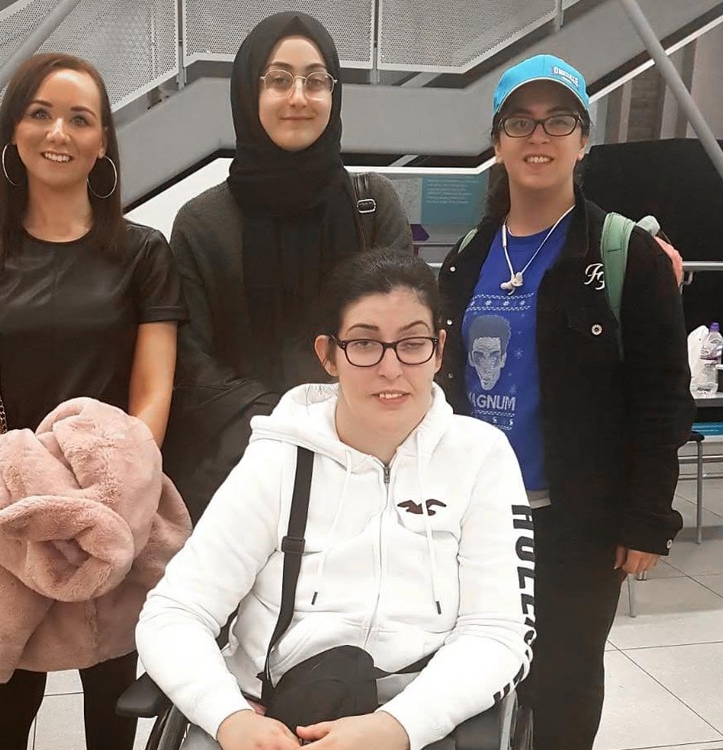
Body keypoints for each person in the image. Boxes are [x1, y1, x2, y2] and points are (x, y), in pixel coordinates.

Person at [137, 249, 534, 750]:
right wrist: (229, 717)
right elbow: (174, 612)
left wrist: (398, 727)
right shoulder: (279, 455)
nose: (391, 368)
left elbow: (498, 631)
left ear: (438, 350)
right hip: (271, 714)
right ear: (328, 355)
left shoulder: (480, 456)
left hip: (420, 718)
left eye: (411, 343)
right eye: (365, 343)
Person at [437, 54, 694, 750]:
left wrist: (647, 519)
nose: (538, 135)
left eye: (558, 120)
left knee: (566, 677)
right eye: (520, 121)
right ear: (497, 142)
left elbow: (662, 396)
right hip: (477, 518)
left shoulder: (628, 255)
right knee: (473, 673)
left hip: (576, 520)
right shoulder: (467, 254)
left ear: (583, 141)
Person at [0, 52, 186, 750]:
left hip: (114, 510)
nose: (59, 132)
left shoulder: (142, 253)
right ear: (13, 131)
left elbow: (153, 386)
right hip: (11, 508)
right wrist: (11, 478)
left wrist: (115, 486)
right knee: (1, 717)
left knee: (113, 713)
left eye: (81, 119)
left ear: (103, 141)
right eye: (41, 113)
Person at [163, 11, 413, 523]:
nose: (298, 96)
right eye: (278, 79)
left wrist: (332, 434)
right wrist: (289, 433)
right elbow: (191, 364)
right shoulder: (202, 224)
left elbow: (402, 338)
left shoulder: (373, 207)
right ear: (247, 93)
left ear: (334, 95)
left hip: (360, 472)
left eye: (315, 80)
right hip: (237, 478)